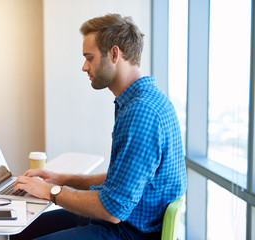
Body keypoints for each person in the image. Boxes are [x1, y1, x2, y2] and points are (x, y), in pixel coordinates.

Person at [11, 13, 187, 240]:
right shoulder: (145, 100)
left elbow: (113, 209)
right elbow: (122, 180)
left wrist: (49, 191)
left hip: (127, 230)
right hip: (125, 222)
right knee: (21, 229)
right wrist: (61, 179)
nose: (84, 67)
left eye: (89, 57)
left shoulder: (140, 113)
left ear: (114, 54)